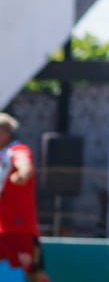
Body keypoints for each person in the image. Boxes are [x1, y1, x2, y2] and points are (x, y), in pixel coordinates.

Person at [0, 114, 46, 282]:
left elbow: (24, 163)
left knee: (33, 273)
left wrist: (23, 174)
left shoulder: (17, 149)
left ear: (5, 132)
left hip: (19, 226)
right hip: (2, 225)